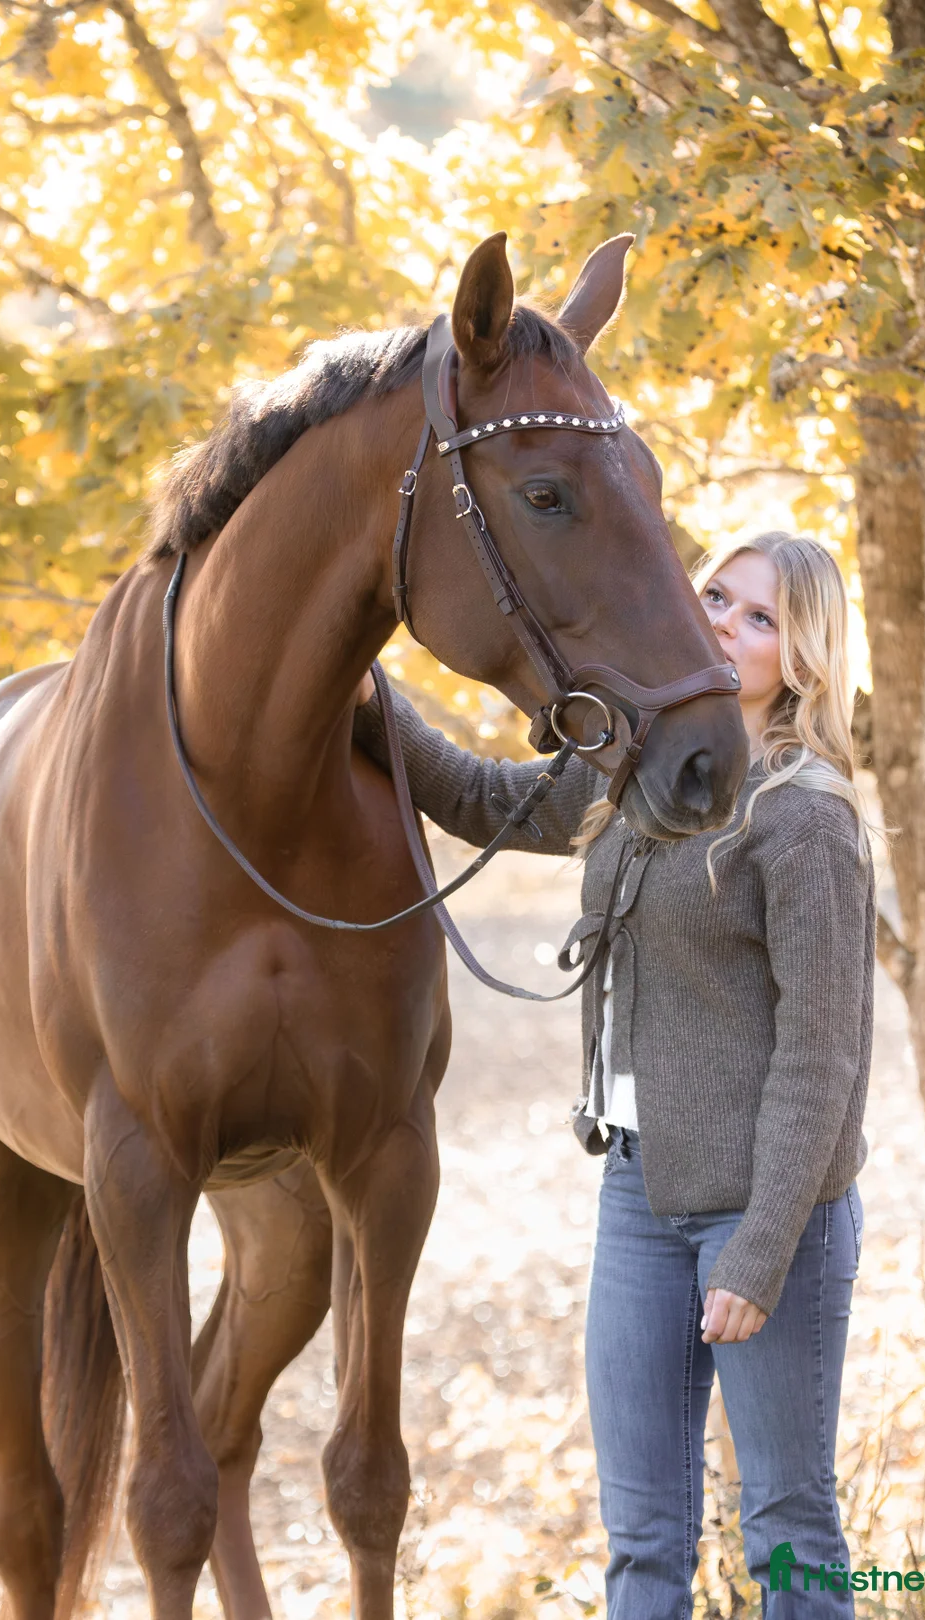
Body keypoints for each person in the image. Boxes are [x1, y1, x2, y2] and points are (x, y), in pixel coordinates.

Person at [352, 530, 881, 1618]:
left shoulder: (805, 819)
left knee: (788, 1525)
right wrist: (364, 687)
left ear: (804, 656)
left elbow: (823, 1059)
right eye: (717, 596)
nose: (725, 623)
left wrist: (760, 1252)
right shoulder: (640, 771)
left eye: (760, 617)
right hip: (636, 1195)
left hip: (766, 1213)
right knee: (643, 1536)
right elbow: (480, 797)